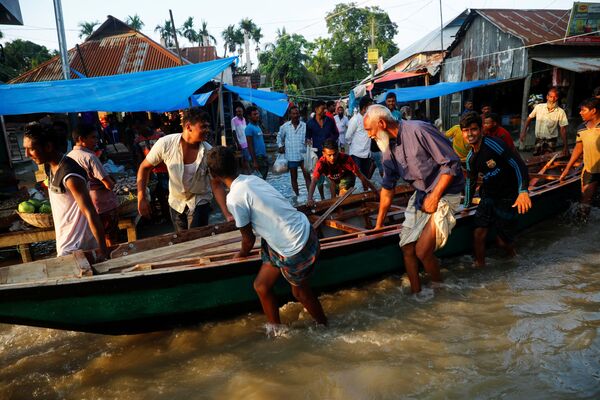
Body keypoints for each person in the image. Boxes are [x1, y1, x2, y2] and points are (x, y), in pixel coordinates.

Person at [207, 146, 327, 326]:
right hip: (304, 229)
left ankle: (324, 325)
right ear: (236, 164)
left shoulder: (234, 198)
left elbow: (248, 240)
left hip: (296, 246)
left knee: (300, 293)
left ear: (213, 175)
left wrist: (240, 254)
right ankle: (275, 330)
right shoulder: (251, 179)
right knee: (261, 286)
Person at [364, 105, 464, 293]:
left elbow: (451, 162)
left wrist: (435, 196)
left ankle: (439, 292)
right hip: (421, 195)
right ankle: (416, 294)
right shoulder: (388, 151)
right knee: (407, 248)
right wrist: (378, 225)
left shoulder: (418, 130)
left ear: (382, 123)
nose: (369, 135)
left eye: (370, 130)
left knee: (422, 251)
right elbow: (387, 188)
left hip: (445, 193)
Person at [137, 107, 233, 232]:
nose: (207, 130)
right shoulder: (165, 144)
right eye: (203, 127)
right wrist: (142, 198)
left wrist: (227, 214)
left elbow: (215, 184)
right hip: (176, 202)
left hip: (200, 200)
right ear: (188, 127)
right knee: (182, 241)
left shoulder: (208, 152)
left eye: (208, 127)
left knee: (195, 238)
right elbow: (144, 168)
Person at [23, 124, 107, 259]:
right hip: (66, 245)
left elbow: (91, 212)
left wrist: (103, 251)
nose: (27, 154)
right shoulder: (51, 167)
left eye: (31, 149)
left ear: (48, 147)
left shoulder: (70, 174)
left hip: (78, 248)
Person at [461, 112, 531, 268]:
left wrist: (523, 191)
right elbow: (470, 181)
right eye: (466, 130)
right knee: (478, 233)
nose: (470, 134)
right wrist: (466, 205)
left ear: (480, 130)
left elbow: (518, 165)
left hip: (508, 195)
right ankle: (480, 265)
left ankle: (514, 257)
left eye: (473, 129)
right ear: (462, 133)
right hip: (488, 195)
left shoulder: (494, 144)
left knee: (502, 242)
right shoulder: (470, 158)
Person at [68, 123, 120, 247]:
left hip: (83, 206)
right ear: (81, 139)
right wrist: (112, 181)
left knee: (95, 239)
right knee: (109, 239)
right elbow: (108, 184)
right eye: (93, 137)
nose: (96, 141)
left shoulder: (68, 157)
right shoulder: (90, 157)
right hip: (102, 205)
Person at [560, 97, 600, 218]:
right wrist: (567, 169)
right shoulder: (581, 128)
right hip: (590, 170)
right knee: (585, 202)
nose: (580, 113)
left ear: (593, 111)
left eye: (583, 110)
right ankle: (583, 224)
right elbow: (578, 149)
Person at [307, 139, 378, 206]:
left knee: (341, 197)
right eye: (329, 155)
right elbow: (314, 181)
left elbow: (360, 175)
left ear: (338, 151)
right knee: (333, 200)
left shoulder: (346, 159)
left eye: (335, 154)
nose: (332, 157)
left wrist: (374, 189)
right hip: (334, 180)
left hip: (347, 177)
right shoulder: (321, 163)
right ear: (323, 154)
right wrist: (310, 199)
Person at [133, 120, 169, 222]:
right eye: (137, 127)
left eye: (140, 125)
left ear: (147, 124)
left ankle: (168, 215)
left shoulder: (160, 136)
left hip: (164, 169)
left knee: (166, 193)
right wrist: (141, 171)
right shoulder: (137, 140)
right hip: (149, 172)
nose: (138, 129)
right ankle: (157, 216)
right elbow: (138, 157)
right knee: (154, 194)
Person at [520, 87, 569, 156]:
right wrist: (523, 132)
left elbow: (563, 129)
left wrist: (565, 146)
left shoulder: (561, 112)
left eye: (555, 97)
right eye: (550, 97)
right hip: (539, 139)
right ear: (547, 97)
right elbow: (529, 119)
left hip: (551, 141)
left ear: (557, 98)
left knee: (548, 159)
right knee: (536, 159)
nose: (552, 99)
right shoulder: (539, 107)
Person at [306, 100, 339, 200]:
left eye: (325, 108)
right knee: (318, 178)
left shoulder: (329, 120)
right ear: (316, 109)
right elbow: (307, 137)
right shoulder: (310, 123)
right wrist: (308, 143)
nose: (325, 110)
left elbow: (336, 134)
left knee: (332, 177)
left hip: (330, 155)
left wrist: (330, 142)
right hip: (318, 155)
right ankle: (322, 198)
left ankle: (333, 199)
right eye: (322, 108)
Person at [278, 105, 311, 197]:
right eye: (293, 113)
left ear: (299, 114)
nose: (296, 115)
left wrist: (309, 141)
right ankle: (297, 197)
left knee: (307, 177)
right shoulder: (285, 126)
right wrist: (280, 146)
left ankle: (310, 197)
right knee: (293, 178)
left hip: (304, 156)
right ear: (290, 115)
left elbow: (309, 138)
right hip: (291, 156)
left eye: (297, 113)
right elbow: (279, 137)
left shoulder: (304, 126)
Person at [346, 96, 374, 177]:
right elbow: (348, 136)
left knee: (366, 177)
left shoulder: (370, 119)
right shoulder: (355, 120)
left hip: (367, 153)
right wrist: (355, 145)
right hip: (356, 154)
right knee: (357, 177)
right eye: (370, 107)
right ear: (365, 108)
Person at [245, 106, 269, 180]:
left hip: (262, 157)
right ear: (249, 116)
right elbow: (250, 145)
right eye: (254, 114)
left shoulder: (257, 126)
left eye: (257, 114)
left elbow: (260, 137)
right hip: (257, 158)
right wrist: (254, 161)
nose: (257, 116)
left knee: (263, 179)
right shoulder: (249, 128)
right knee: (259, 181)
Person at [231, 105, 250, 172]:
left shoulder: (244, 119)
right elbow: (234, 132)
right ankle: (248, 172)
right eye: (237, 112)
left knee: (245, 158)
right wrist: (237, 143)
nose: (238, 113)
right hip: (241, 142)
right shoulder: (233, 120)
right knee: (245, 158)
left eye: (240, 111)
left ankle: (244, 171)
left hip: (247, 141)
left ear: (242, 112)